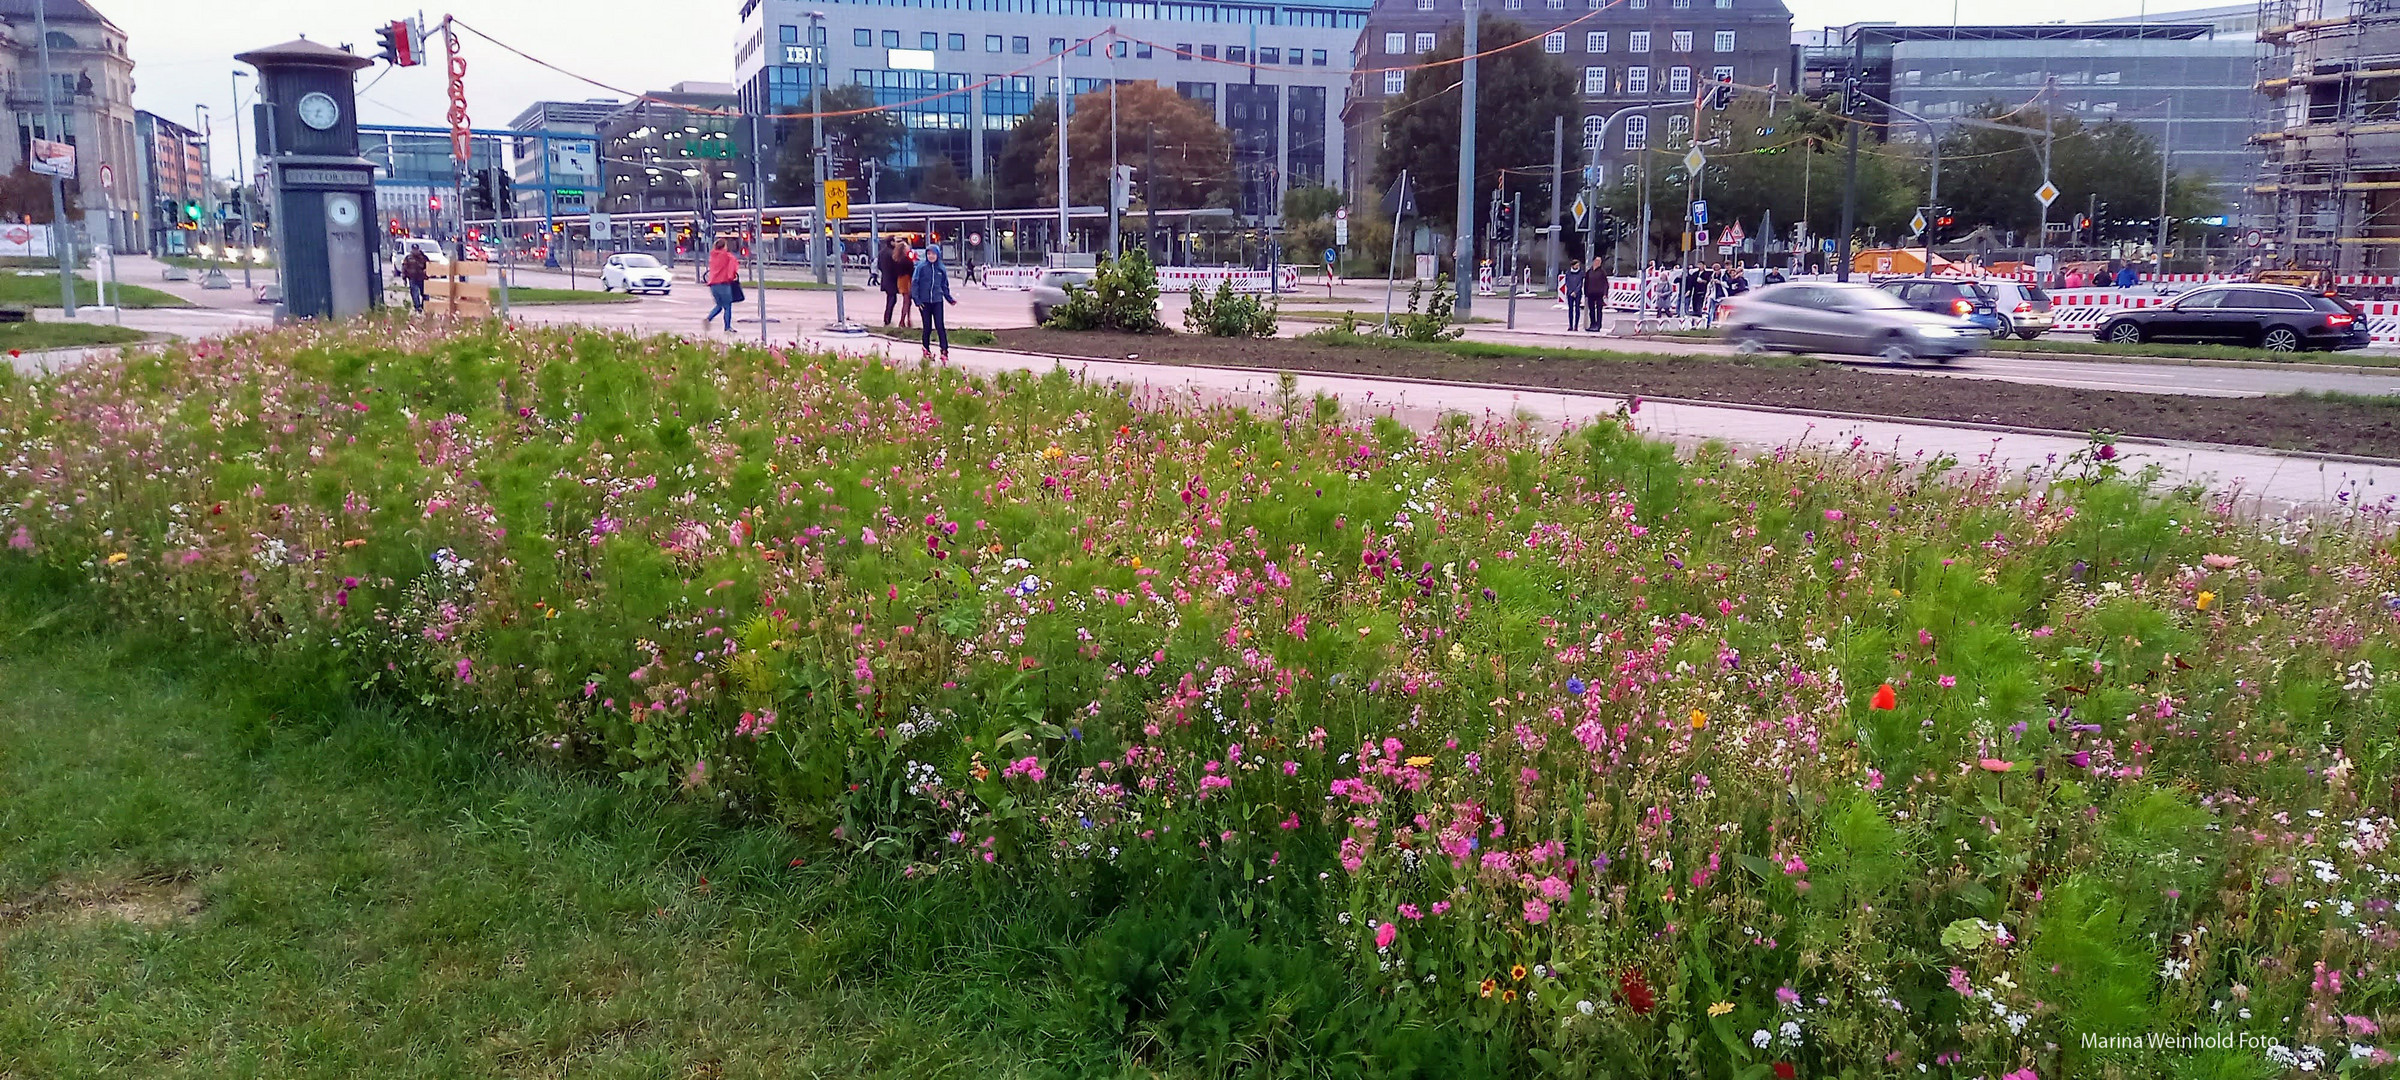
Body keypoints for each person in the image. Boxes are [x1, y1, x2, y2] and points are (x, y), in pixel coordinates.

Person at [912, 242, 959, 360]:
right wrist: (917, 300)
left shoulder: (941, 269)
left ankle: (944, 350)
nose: (931, 256)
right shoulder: (921, 267)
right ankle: (926, 349)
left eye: (933, 254)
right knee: (927, 327)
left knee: (940, 325)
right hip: (924, 302)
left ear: (938, 255)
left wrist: (949, 298)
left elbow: (944, 285)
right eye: (929, 254)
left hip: (937, 301)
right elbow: (915, 283)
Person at [703, 237, 740, 332]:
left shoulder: (712, 256)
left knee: (719, 305)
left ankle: (708, 319)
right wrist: (731, 277)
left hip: (713, 285)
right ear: (724, 247)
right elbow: (733, 267)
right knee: (727, 306)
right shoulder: (727, 256)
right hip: (723, 284)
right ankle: (727, 327)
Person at [879, 239, 905, 326]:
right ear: (891, 242)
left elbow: (879, 265)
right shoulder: (892, 253)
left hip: (885, 279)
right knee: (892, 299)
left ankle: (887, 318)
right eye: (895, 242)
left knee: (890, 298)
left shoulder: (882, 252)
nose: (896, 244)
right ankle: (887, 319)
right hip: (892, 280)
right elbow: (896, 267)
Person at [1583, 257, 1610, 333]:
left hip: (1599, 293)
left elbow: (1605, 284)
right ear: (1594, 261)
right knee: (1591, 310)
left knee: (1599, 310)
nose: (1598, 263)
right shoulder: (1589, 272)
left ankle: (1598, 325)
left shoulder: (1602, 272)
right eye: (1597, 261)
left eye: (1599, 261)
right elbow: (1586, 283)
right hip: (1590, 293)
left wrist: (1605, 293)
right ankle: (1592, 324)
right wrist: (1585, 293)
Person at [894, 242, 917, 328]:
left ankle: (907, 320)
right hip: (906, 280)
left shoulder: (898, 259)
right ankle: (903, 320)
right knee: (907, 301)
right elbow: (911, 270)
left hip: (901, 280)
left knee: (907, 301)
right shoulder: (906, 260)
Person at [400, 246, 429, 314]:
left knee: (425, 294)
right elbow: (404, 268)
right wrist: (404, 278)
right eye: (414, 249)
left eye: (416, 249)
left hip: (422, 278)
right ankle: (417, 307)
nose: (415, 251)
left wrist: (427, 271)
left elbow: (429, 266)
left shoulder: (423, 257)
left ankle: (425, 306)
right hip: (412, 278)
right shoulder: (408, 258)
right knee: (415, 294)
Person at [1562, 260, 1586, 331]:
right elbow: (1567, 283)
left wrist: (1575, 292)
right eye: (1576, 265)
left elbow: (1580, 283)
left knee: (1577, 309)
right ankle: (1570, 325)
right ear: (1572, 265)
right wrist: (1570, 291)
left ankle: (1576, 326)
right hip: (1570, 293)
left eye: (1578, 265)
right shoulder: (1568, 273)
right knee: (1570, 309)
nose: (1577, 266)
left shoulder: (1581, 273)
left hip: (1577, 293)